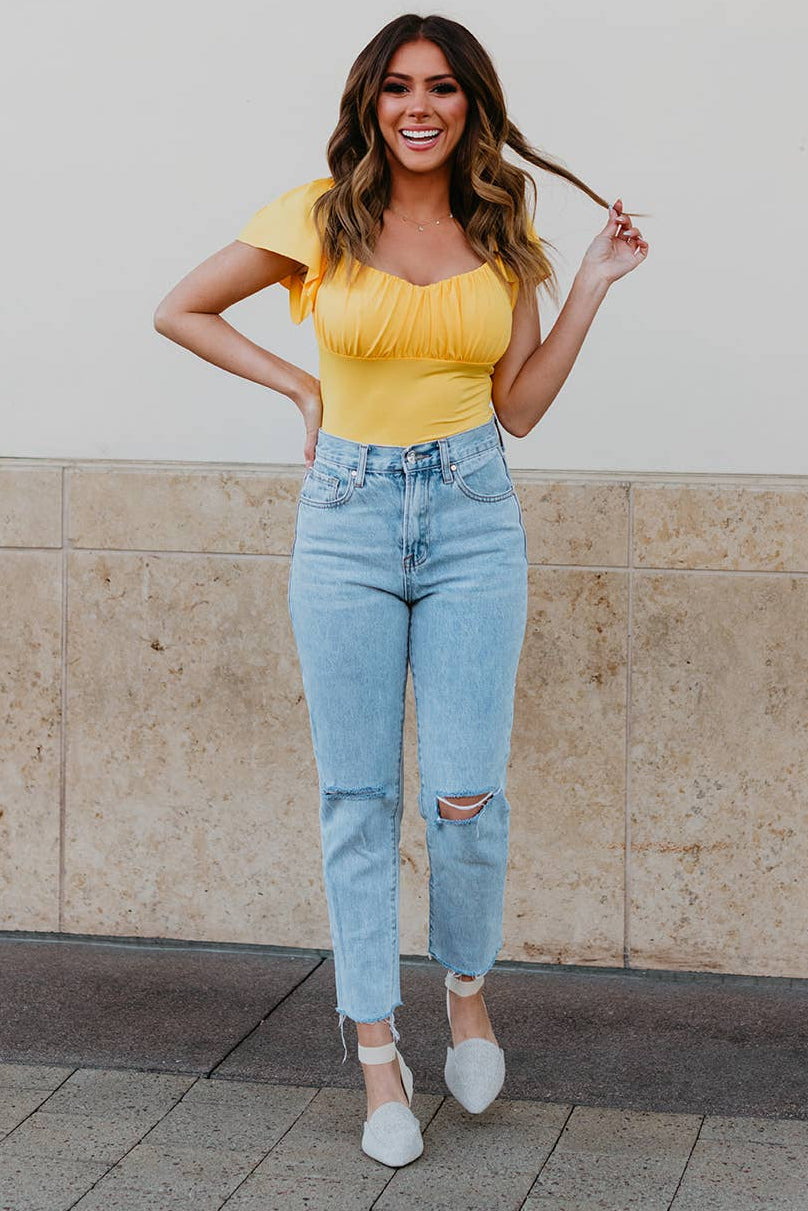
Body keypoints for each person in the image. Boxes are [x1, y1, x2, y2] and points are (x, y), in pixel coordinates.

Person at [154, 12, 648, 1170]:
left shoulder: (499, 223)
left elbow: (517, 405)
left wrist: (590, 283)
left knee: (467, 795)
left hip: (474, 514)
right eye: (395, 87)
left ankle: (465, 992)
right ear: (369, 103)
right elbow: (180, 308)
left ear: (470, 103)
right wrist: (298, 390)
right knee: (358, 799)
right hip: (348, 523)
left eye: (439, 88)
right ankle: (378, 1047)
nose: (417, 106)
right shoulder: (318, 218)